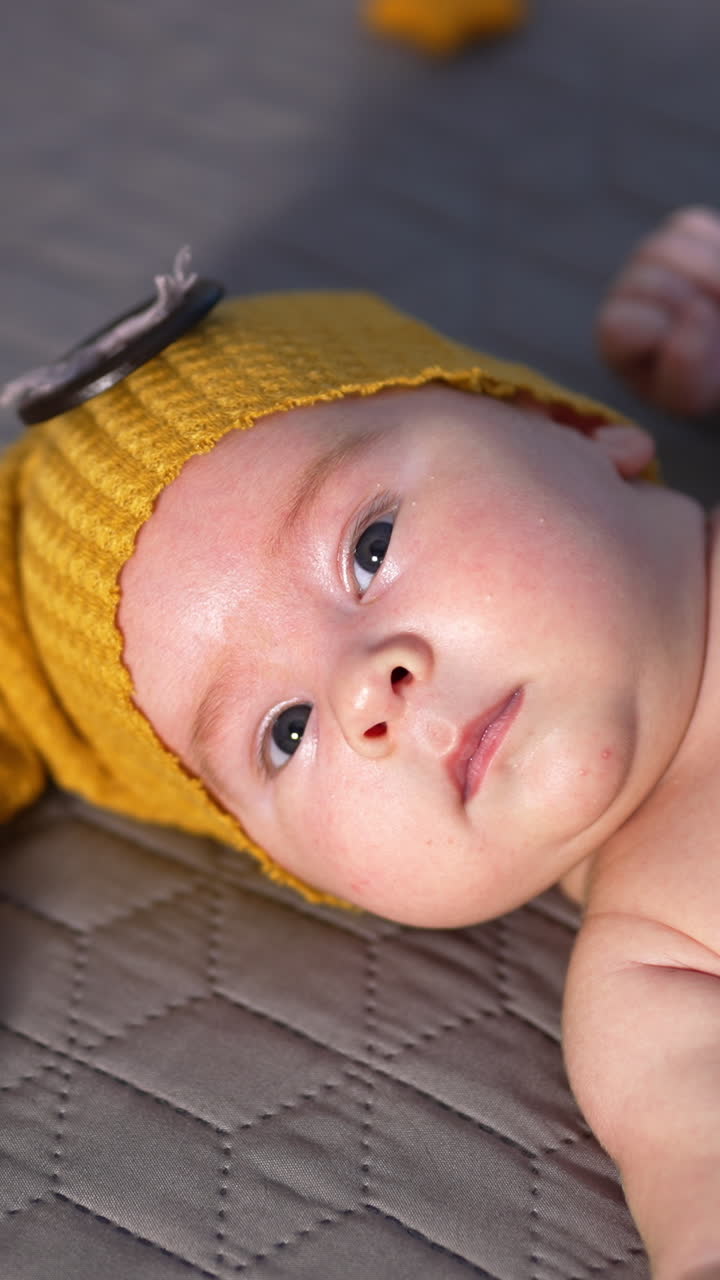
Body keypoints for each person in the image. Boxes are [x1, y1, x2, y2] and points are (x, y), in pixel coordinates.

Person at [0, 220, 718, 1278]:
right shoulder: (656, 983)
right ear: (305, 873)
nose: (357, 692)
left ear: (573, 427)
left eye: (368, 547)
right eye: (282, 735)